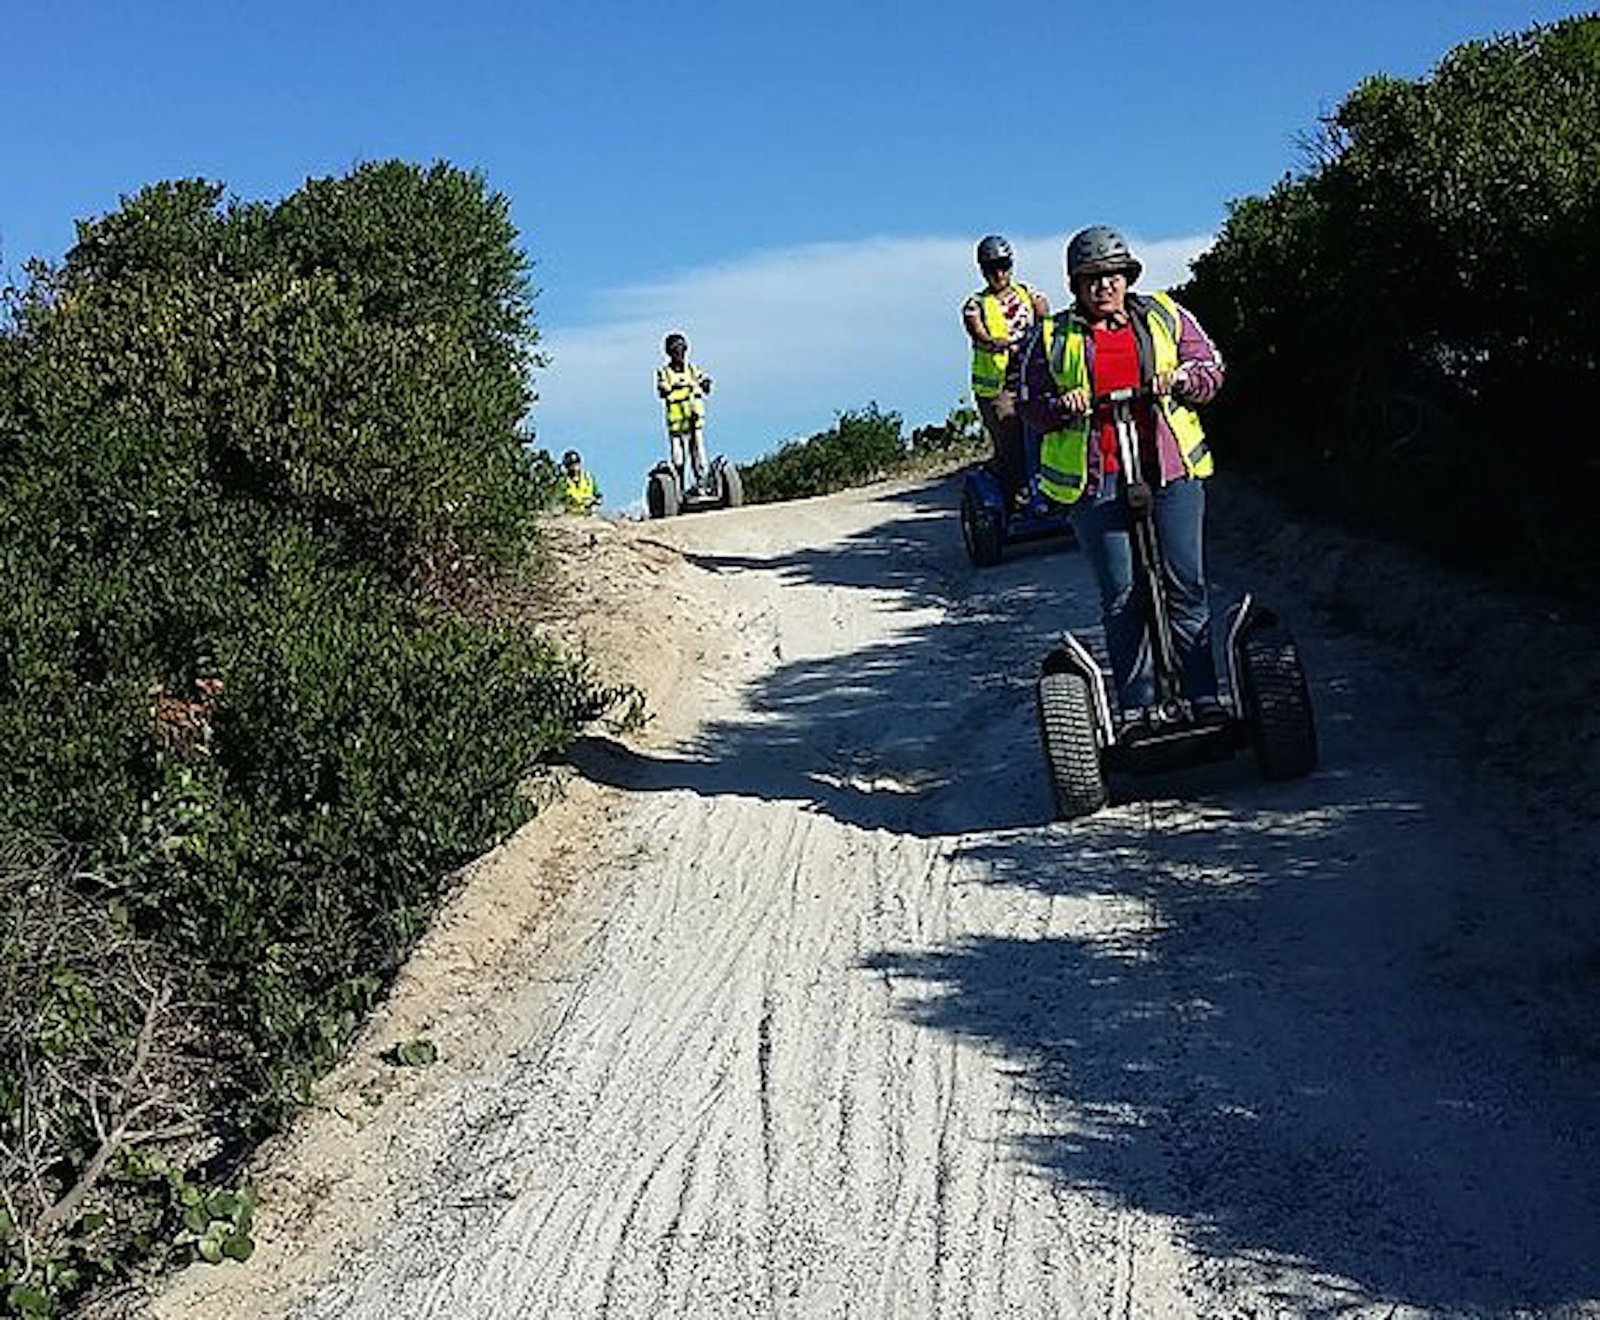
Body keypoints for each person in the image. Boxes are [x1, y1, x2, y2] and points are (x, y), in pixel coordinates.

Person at [1012, 225, 1227, 734]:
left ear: (1128, 277)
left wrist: (1183, 380)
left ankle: (1204, 695)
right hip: (1097, 483)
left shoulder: (1164, 315)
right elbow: (1026, 401)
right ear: (1075, 284)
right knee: (1122, 595)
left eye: (1112, 275)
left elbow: (1211, 367)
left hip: (1171, 472)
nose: (1103, 286)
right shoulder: (1052, 335)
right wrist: (1059, 407)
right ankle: (1137, 707)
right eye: (1091, 278)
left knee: (1186, 586)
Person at [960, 235, 1049, 506]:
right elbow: (978, 335)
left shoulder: (1028, 293)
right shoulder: (975, 304)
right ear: (983, 270)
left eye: (1004, 265)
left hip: (1033, 379)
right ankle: (1017, 491)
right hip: (998, 388)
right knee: (1010, 434)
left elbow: (1046, 317)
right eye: (992, 268)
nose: (999, 273)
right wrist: (996, 343)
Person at [655, 332, 712, 493]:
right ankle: (678, 489)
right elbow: (662, 389)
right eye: (675, 350)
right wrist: (671, 387)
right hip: (677, 425)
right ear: (669, 353)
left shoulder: (693, 369)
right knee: (678, 460)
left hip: (694, 420)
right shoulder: (664, 372)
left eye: (682, 350)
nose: (679, 354)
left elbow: (704, 381)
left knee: (699, 456)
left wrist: (706, 383)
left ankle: (702, 486)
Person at [559, 448, 601, 513]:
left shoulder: (588, 478)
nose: (574, 467)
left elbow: (598, 496)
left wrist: (593, 503)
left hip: (589, 514)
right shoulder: (562, 481)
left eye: (576, 464)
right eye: (571, 465)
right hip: (570, 516)